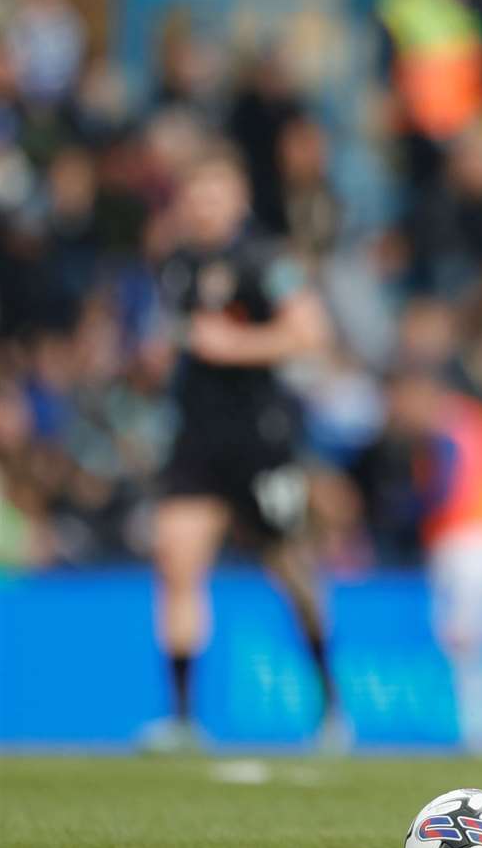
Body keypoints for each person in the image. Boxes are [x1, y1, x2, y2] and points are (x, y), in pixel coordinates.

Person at [143, 144, 348, 753]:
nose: (203, 208)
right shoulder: (176, 263)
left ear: (237, 199)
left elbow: (312, 335)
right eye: (194, 197)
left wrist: (234, 344)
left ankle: (330, 704)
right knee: (176, 560)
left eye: (214, 195)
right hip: (195, 438)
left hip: (259, 439)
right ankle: (182, 720)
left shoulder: (265, 260)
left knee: (289, 570)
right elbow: (184, 338)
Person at [353, 348, 482, 752]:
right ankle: (481, 732)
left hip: (477, 536)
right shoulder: (464, 418)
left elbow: (443, 487)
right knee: (463, 640)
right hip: (480, 536)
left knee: (466, 638)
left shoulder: (449, 420)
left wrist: (397, 511)